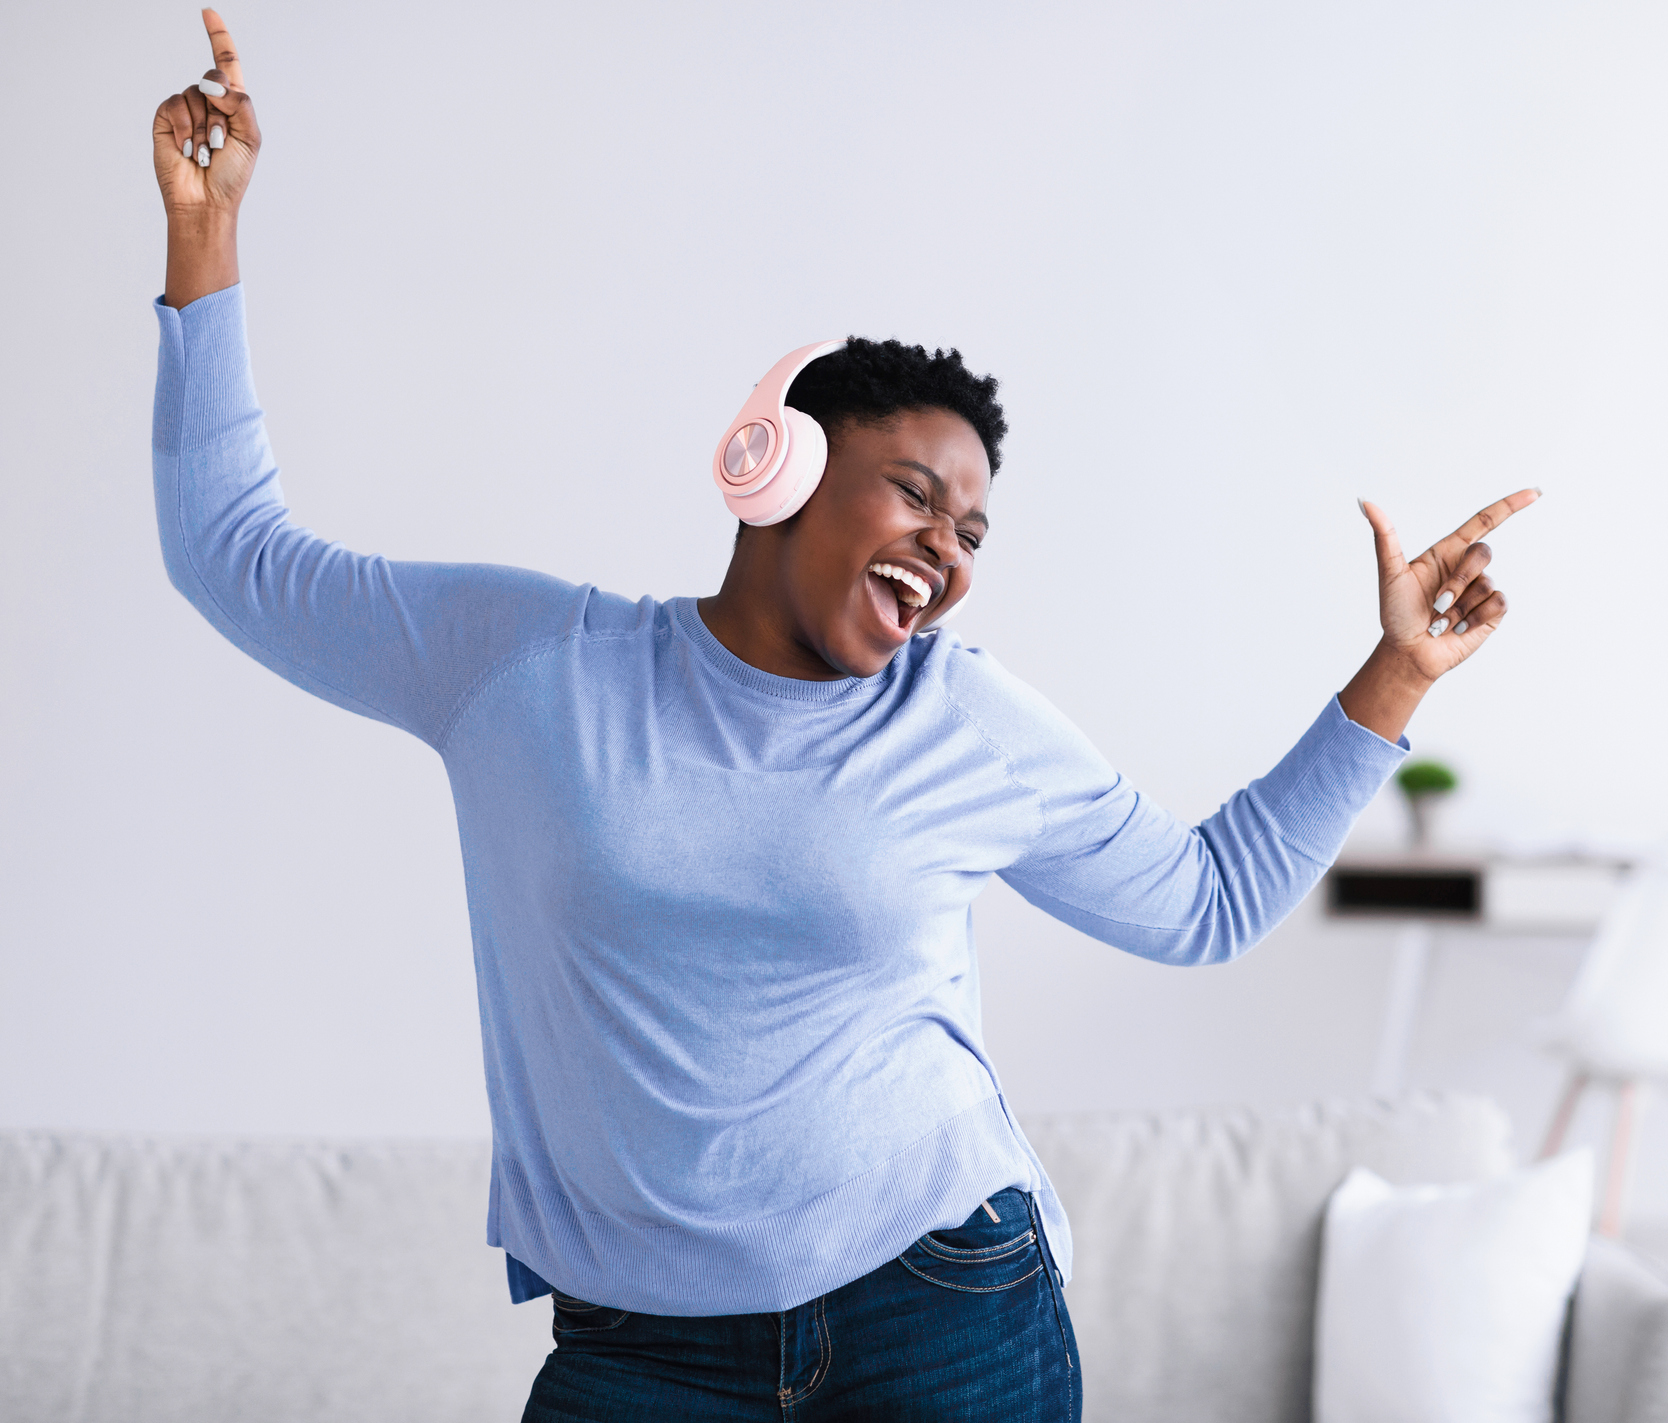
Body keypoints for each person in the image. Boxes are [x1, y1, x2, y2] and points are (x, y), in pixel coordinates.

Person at [149, 11, 1538, 1421]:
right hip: (641, 1348)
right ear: (772, 465)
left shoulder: (964, 720)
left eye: (974, 529)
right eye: (916, 493)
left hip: (940, 1304)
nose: (947, 548)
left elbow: (1206, 902)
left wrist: (1398, 675)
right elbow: (233, 556)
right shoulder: (524, 664)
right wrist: (206, 238)